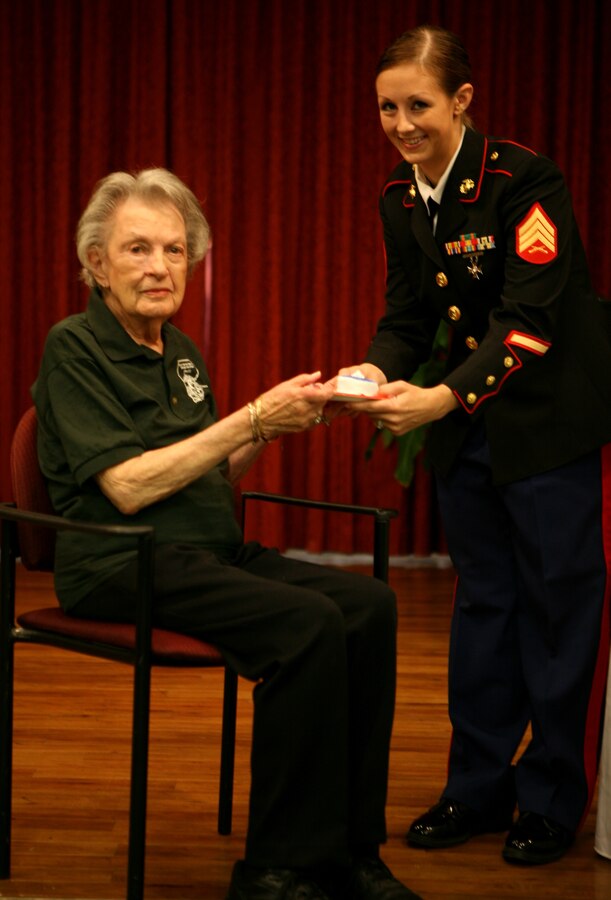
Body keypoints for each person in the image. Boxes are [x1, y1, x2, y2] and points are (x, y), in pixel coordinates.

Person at [32, 168, 421, 900]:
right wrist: (248, 417)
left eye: (175, 251)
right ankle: (276, 868)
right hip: (123, 559)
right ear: (96, 263)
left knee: (370, 607)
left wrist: (279, 425)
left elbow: (206, 476)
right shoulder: (74, 346)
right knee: (305, 624)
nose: (158, 267)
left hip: (204, 550)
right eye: (137, 249)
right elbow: (125, 486)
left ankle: (351, 851)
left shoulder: (178, 351)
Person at [334, 24, 611, 866]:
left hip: (547, 426)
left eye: (416, 104)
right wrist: (370, 373)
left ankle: (551, 799)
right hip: (469, 433)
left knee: (558, 613)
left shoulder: (523, 179)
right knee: (483, 613)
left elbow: (529, 324)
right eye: (386, 107)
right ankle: (476, 788)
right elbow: (406, 318)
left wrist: (443, 396)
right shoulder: (397, 198)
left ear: (460, 100)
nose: (400, 123)